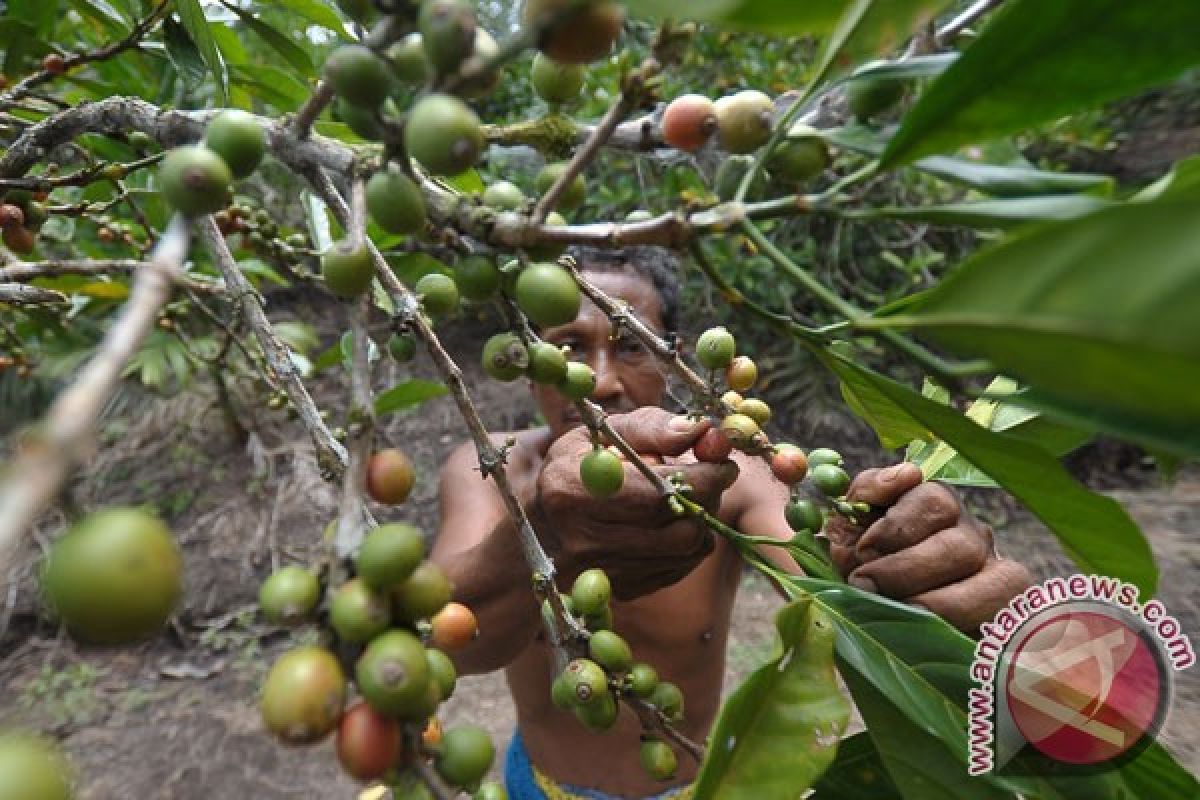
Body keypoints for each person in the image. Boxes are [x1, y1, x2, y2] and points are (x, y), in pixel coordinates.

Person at [431, 246, 1032, 800]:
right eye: (567, 347)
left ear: (673, 356)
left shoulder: (730, 476)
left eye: (631, 346)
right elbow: (444, 635)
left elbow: (843, 594)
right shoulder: (490, 469)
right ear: (530, 365)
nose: (604, 381)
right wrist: (543, 535)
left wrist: (897, 564)